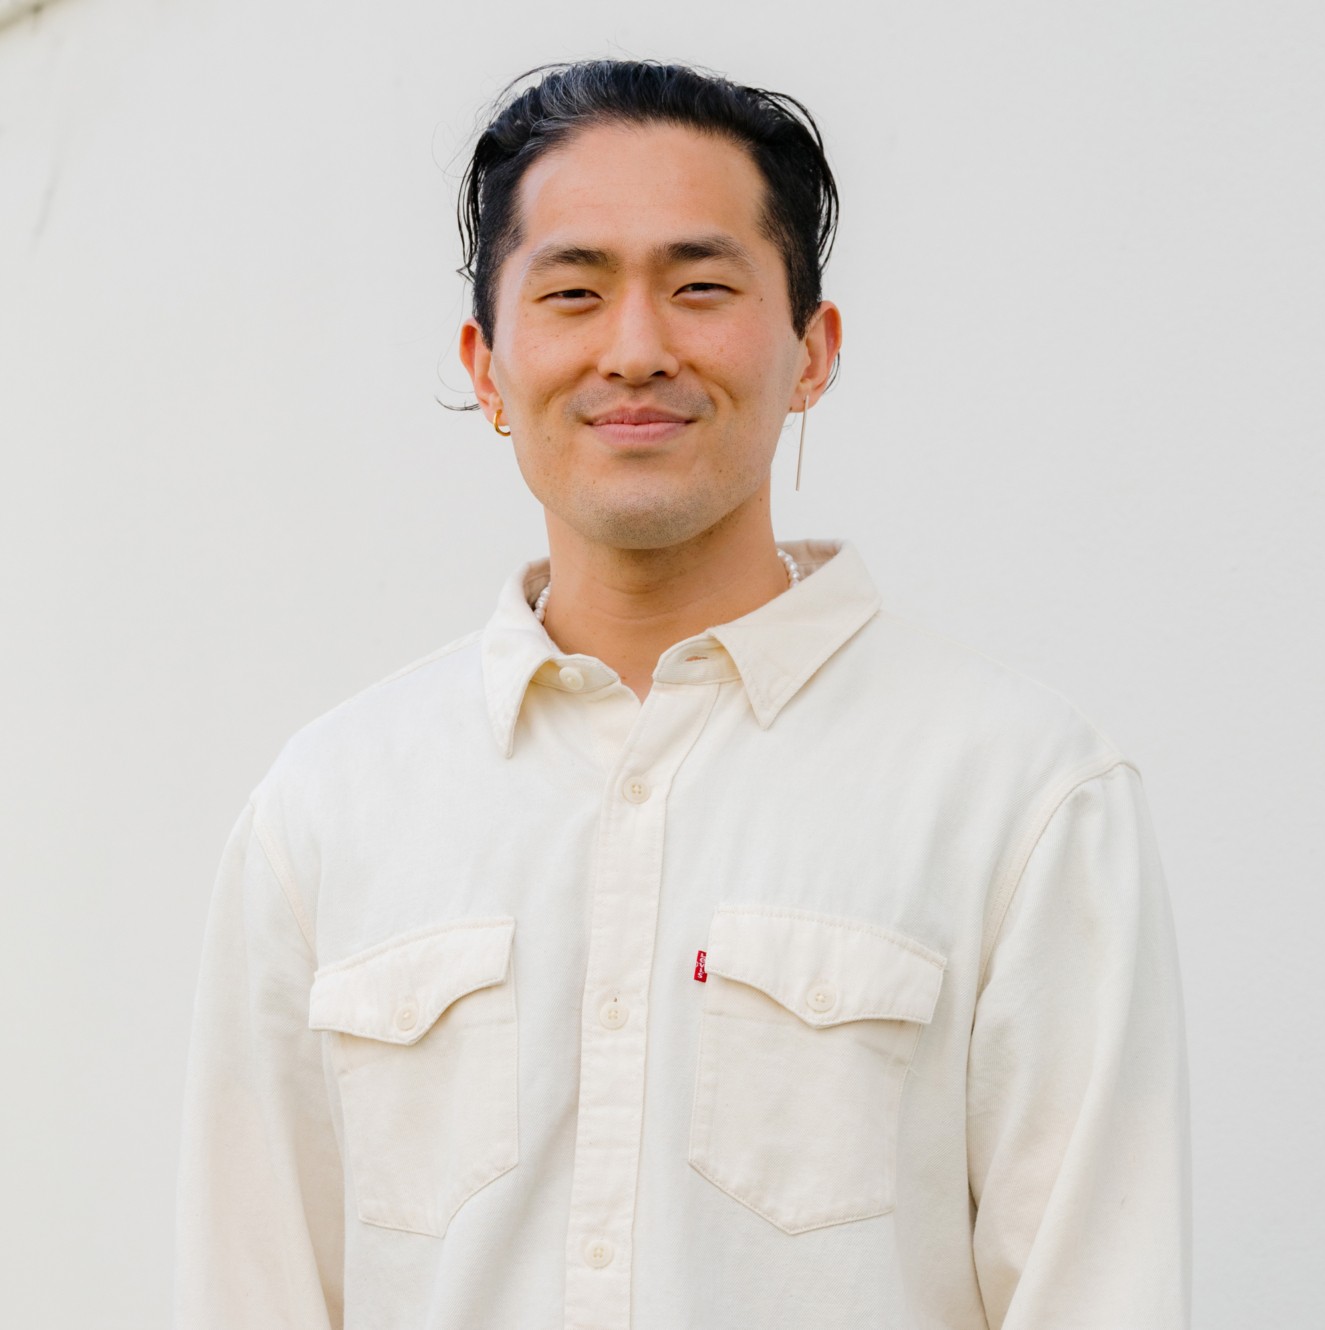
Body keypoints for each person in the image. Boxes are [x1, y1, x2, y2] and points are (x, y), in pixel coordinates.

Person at [173, 59, 1191, 1330]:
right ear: (488, 367)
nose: (637, 348)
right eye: (574, 291)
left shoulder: (1019, 795)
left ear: (811, 350)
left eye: (701, 286)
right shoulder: (324, 815)